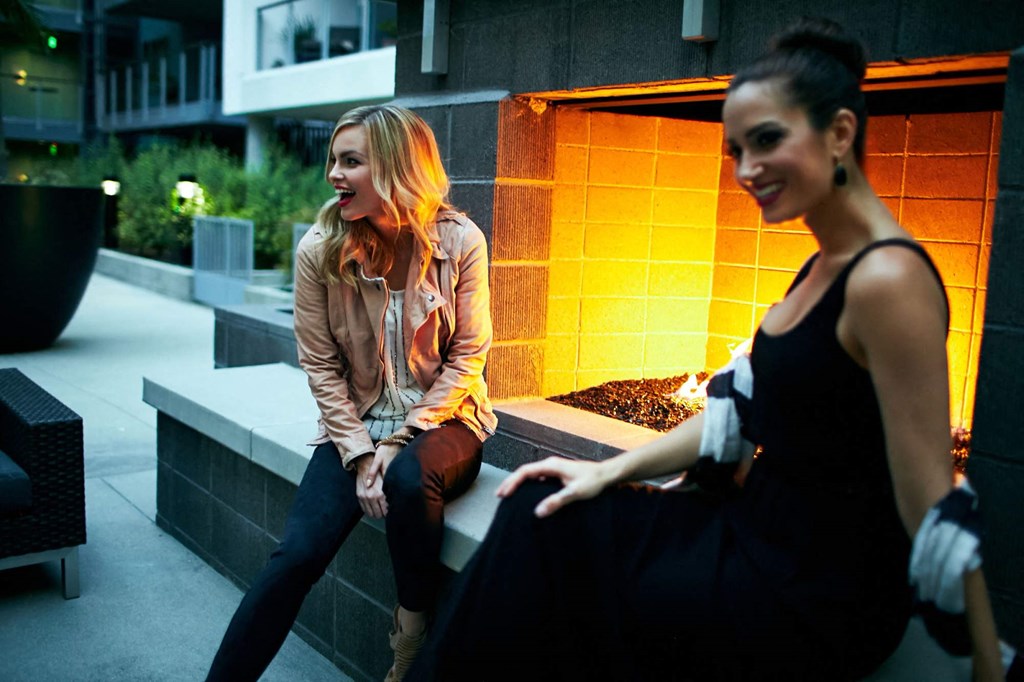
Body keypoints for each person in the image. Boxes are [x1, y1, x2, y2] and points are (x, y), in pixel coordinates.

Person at [406, 17, 1009, 682]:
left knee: (558, 561)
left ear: (840, 133)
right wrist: (602, 471)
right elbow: (735, 415)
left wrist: (985, 664)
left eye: (767, 141)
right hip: (752, 528)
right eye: (735, 151)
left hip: (813, 583)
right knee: (540, 507)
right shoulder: (819, 268)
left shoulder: (888, 279)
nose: (748, 170)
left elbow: (932, 499)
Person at [205, 104, 497, 682]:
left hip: (447, 422)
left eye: (351, 162)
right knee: (295, 556)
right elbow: (319, 364)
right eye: (333, 161)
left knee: (411, 479)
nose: (333, 174)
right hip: (354, 425)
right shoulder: (321, 248)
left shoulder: (460, 241)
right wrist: (363, 452)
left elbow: (468, 357)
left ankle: (410, 635)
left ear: (396, 166)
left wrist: (405, 438)